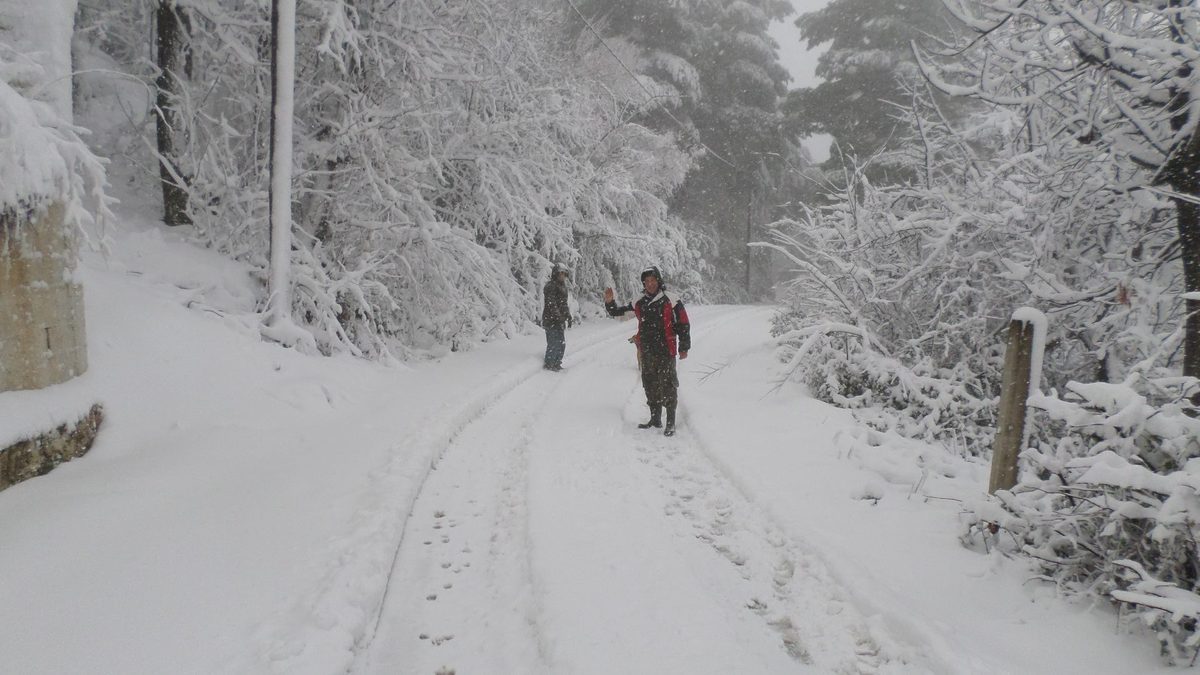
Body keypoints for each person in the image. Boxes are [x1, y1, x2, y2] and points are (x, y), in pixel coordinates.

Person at [604, 266, 690, 436]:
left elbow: (683, 324)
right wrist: (609, 303)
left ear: (659, 281)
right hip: (647, 351)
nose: (650, 284)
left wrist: (684, 347)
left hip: (666, 350)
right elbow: (619, 313)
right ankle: (655, 419)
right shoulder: (639, 301)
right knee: (650, 384)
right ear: (644, 283)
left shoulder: (671, 300)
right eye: (647, 281)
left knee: (668, 385)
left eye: (653, 280)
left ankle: (670, 422)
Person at [542, 263, 571, 371]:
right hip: (550, 320)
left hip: (559, 320)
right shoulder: (551, 286)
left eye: (564, 274)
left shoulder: (562, 286)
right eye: (560, 273)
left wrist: (568, 315)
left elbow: (563, 304)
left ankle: (557, 363)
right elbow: (551, 304)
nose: (562, 276)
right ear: (555, 274)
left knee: (561, 343)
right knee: (553, 343)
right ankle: (549, 364)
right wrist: (558, 316)